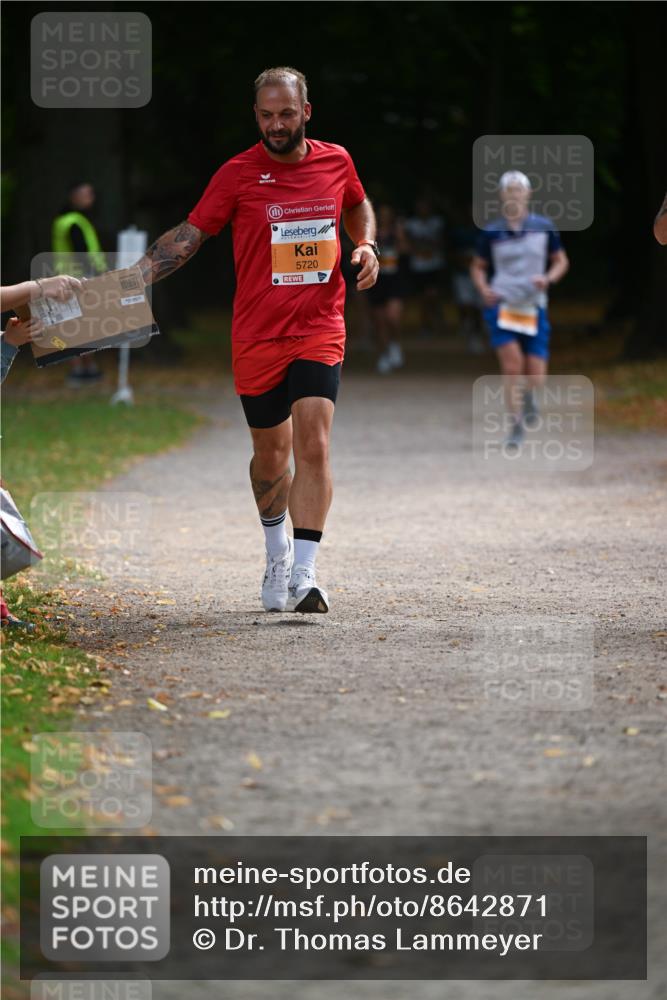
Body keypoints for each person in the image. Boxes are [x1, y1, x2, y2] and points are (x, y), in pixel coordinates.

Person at [135, 66, 378, 614]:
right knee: (270, 456)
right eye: (266, 116)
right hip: (256, 334)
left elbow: (358, 202)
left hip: (319, 325)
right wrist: (131, 281)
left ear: (306, 112)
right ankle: (276, 553)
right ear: (256, 116)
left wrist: (366, 244)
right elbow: (189, 236)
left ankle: (306, 573)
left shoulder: (336, 160)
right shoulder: (238, 174)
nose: (276, 124)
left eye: (286, 114)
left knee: (313, 441)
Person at [470, 170, 569, 450]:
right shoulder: (491, 232)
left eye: (519, 189)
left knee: (535, 371)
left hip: (533, 305)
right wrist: (483, 288)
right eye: (509, 190)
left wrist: (548, 278)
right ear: (502, 195)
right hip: (502, 304)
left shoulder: (544, 226)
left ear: (528, 194)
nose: (514, 194)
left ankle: (531, 397)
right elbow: (477, 266)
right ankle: (515, 425)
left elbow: (561, 260)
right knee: (512, 365)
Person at [52, 182, 108, 385]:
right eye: (86, 194)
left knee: (77, 326)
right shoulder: (74, 222)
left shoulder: (69, 220)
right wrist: (96, 275)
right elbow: (82, 252)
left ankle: (86, 368)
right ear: (74, 197)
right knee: (79, 327)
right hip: (78, 279)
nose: (90, 198)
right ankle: (80, 369)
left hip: (67, 279)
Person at [367, 204, 408, 373]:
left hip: (394, 281)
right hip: (377, 280)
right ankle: (383, 354)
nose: (384, 217)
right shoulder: (371, 232)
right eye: (381, 214)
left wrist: (400, 236)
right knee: (380, 322)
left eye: (387, 214)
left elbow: (406, 250)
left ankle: (395, 344)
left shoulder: (396, 232)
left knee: (393, 318)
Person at [404, 196, 446, 336]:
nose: (423, 209)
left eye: (426, 206)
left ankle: (438, 324)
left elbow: (441, 242)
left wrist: (429, 249)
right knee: (423, 299)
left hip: (435, 265)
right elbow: (408, 244)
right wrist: (419, 250)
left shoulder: (437, 222)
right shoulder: (411, 224)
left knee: (434, 295)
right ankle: (426, 325)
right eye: (420, 206)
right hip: (418, 266)